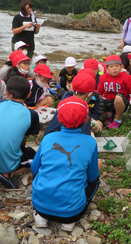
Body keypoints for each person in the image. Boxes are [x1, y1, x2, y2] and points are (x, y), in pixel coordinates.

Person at [31, 96, 101, 231]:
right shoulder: (90, 142)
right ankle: (68, 224)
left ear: (58, 118)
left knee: (40, 170)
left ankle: (41, 218)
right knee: (97, 170)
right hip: (72, 213)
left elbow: (34, 169)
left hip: (40, 207)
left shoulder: (48, 138)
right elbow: (92, 177)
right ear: (86, 120)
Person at [0, 76, 39, 189]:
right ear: (29, 94)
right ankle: (8, 174)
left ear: (7, 92)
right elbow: (22, 141)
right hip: (8, 165)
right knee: (36, 158)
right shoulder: (32, 114)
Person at [44, 69, 103, 137]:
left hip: (51, 139)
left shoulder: (63, 103)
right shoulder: (83, 111)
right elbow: (83, 138)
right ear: (90, 94)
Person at [97, 55, 131, 129]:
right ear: (107, 68)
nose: (114, 68)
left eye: (117, 65)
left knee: (118, 97)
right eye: (111, 66)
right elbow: (100, 94)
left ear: (121, 67)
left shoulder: (127, 77)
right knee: (93, 101)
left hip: (121, 103)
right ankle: (108, 114)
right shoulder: (103, 77)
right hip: (109, 102)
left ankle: (117, 119)